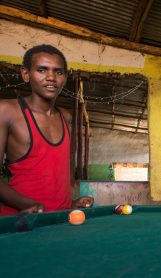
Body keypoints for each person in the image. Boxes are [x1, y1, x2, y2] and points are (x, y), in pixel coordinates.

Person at [0, 44, 94, 215]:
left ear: (65, 77)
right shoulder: (7, 110)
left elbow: (54, 173)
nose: (51, 77)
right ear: (26, 74)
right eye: (42, 70)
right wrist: (29, 205)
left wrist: (71, 203)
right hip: (19, 223)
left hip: (60, 221)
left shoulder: (65, 117)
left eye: (58, 72)